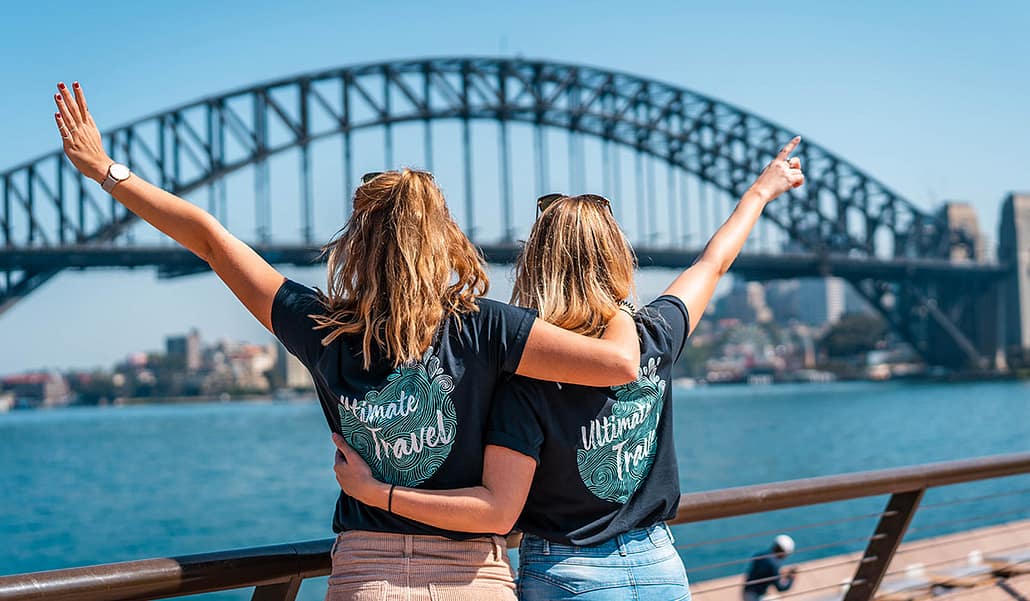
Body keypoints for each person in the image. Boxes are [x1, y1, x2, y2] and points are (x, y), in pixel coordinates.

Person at [52, 81, 648, 601]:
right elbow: (619, 364)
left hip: (368, 575)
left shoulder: (321, 328)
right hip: (475, 579)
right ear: (444, 238)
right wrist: (615, 297)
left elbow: (209, 239)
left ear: (356, 243)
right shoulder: (489, 327)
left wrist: (107, 171)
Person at [331, 138, 805, 600]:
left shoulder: (523, 376)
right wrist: (760, 192)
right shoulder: (655, 338)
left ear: (534, 264)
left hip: (566, 572)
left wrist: (378, 490)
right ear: (617, 258)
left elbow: (499, 502)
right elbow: (713, 263)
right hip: (658, 565)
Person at [743, 535, 798, 601]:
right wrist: (790, 578)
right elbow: (780, 588)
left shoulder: (760, 555)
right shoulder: (774, 564)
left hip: (746, 592)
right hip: (755, 597)